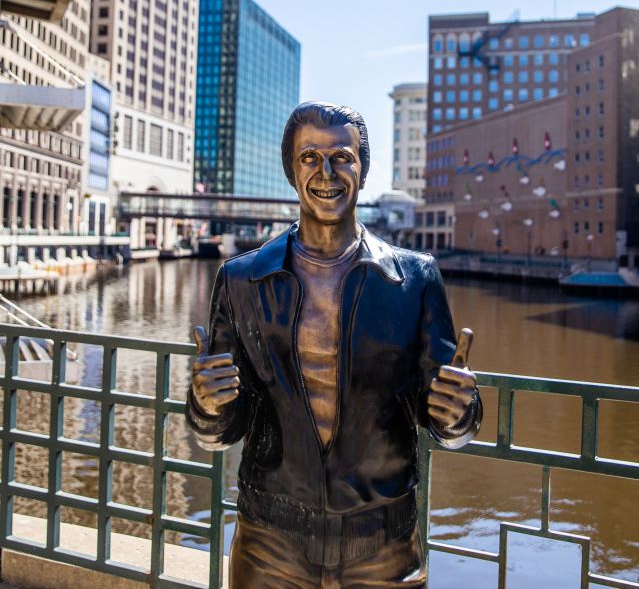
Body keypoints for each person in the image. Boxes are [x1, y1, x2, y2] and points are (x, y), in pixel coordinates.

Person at [186, 101, 482, 589]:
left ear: (363, 171)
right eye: (309, 158)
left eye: (342, 156)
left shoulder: (413, 278)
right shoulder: (241, 280)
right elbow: (219, 431)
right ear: (291, 171)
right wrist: (207, 405)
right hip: (271, 540)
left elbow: (447, 423)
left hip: (384, 543)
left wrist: (459, 413)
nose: (327, 172)